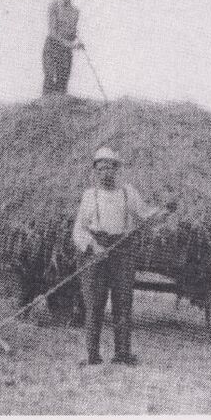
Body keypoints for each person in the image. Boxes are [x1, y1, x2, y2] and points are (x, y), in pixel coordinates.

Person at [72, 147, 159, 366]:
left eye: (110, 168)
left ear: (117, 170)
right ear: (95, 171)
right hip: (96, 254)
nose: (106, 173)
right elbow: (78, 230)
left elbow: (145, 216)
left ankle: (122, 354)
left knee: (123, 303)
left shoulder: (128, 193)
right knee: (95, 304)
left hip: (122, 251)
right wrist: (93, 246)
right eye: (101, 169)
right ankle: (93, 355)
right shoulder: (89, 196)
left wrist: (161, 213)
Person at [42, 0, 84, 95]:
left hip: (66, 52)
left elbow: (72, 33)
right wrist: (70, 44)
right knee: (49, 79)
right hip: (52, 47)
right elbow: (52, 32)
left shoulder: (75, 12)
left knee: (62, 85)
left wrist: (78, 42)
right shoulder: (54, 6)